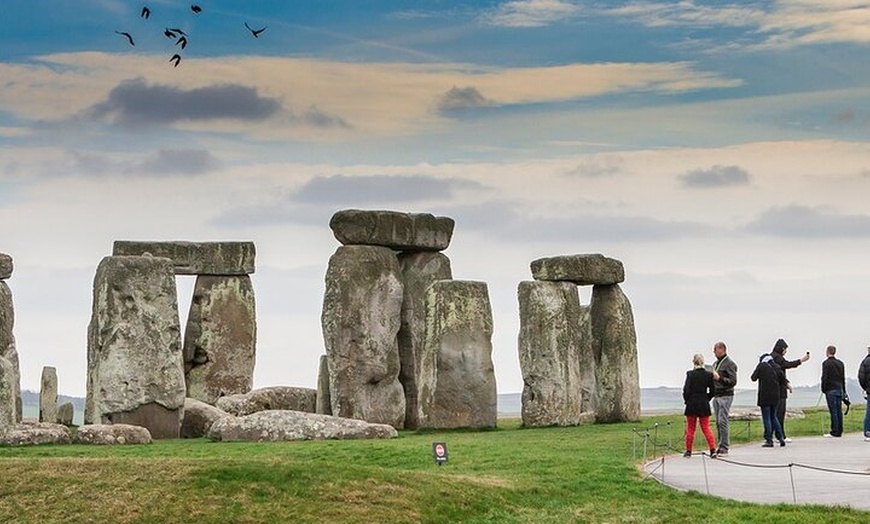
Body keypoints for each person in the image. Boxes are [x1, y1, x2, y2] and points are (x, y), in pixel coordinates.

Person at [769, 338, 809, 442]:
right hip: (779, 390)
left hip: (773, 389)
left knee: (774, 414)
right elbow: (787, 365)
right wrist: (801, 360)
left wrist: (786, 382)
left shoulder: (771, 357)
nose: (786, 352)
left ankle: (775, 434)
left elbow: (779, 373)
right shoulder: (777, 358)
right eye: (785, 349)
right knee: (779, 414)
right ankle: (780, 435)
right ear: (781, 349)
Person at [682, 353, 717, 458]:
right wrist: (707, 398)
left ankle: (688, 451)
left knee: (691, 428)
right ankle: (712, 449)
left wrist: (687, 400)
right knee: (706, 427)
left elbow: (686, 390)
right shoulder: (708, 375)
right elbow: (713, 391)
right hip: (703, 403)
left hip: (692, 403)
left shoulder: (690, 374)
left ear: (693, 362)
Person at [751, 353, 786, 447]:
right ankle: (780, 437)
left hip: (764, 396)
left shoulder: (761, 366)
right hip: (776, 396)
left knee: (766, 418)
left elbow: (753, 378)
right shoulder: (777, 367)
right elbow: (783, 380)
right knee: (773, 417)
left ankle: (769, 440)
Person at [711, 341, 737, 456]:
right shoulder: (716, 363)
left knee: (723, 420)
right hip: (716, 395)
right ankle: (720, 444)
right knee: (717, 421)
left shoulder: (730, 364)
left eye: (715, 350)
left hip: (726, 395)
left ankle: (724, 446)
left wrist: (719, 378)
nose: (714, 352)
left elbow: (733, 381)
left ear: (722, 349)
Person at [820, 345, 845, 438]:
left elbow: (824, 377)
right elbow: (843, 378)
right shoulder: (840, 363)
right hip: (839, 389)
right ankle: (840, 429)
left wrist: (823, 388)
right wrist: (844, 391)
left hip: (830, 389)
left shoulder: (826, 364)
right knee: (839, 410)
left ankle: (834, 430)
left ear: (827, 352)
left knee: (833, 410)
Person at [859, 345, 870, 442]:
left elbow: (861, 377)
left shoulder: (865, 361)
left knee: (869, 411)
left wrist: (865, 388)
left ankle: (868, 431)